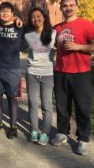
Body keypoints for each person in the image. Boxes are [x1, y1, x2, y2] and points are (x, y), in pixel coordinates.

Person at [51, 0, 94, 155]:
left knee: (82, 107)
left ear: (77, 7)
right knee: (61, 105)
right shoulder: (56, 28)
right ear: (61, 8)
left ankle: (83, 139)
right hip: (60, 71)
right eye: (65, 6)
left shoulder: (86, 24)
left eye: (71, 5)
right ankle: (62, 132)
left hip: (81, 73)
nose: (68, 8)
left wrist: (78, 46)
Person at [0, 2, 24, 139]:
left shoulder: (19, 26)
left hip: (12, 69)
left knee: (12, 99)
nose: (4, 13)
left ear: (13, 14)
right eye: (2, 11)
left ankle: (13, 127)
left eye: (8, 11)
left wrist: (18, 18)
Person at [24, 8, 56, 145]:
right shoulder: (27, 35)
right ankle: (34, 131)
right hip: (32, 73)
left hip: (48, 73)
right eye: (33, 17)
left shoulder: (53, 33)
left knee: (47, 105)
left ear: (44, 17)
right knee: (32, 103)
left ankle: (45, 133)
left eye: (38, 16)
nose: (36, 19)